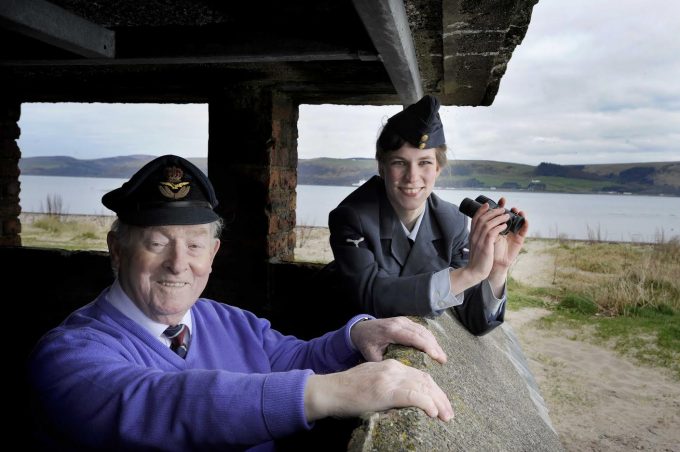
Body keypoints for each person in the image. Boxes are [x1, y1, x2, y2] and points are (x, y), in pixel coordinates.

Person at [27, 155, 453, 451]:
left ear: (212, 256)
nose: (179, 264)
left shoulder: (227, 320)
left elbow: (296, 356)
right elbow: (164, 402)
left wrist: (358, 332)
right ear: (116, 251)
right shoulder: (67, 357)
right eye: (157, 243)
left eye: (195, 245)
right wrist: (328, 392)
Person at [326, 95, 529, 335]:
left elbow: (474, 320)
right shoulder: (351, 217)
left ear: (438, 169)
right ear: (382, 167)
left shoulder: (451, 221)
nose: (412, 177)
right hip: (339, 344)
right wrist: (470, 273)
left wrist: (497, 269)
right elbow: (371, 297)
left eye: (424, 163)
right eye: (400, 163)